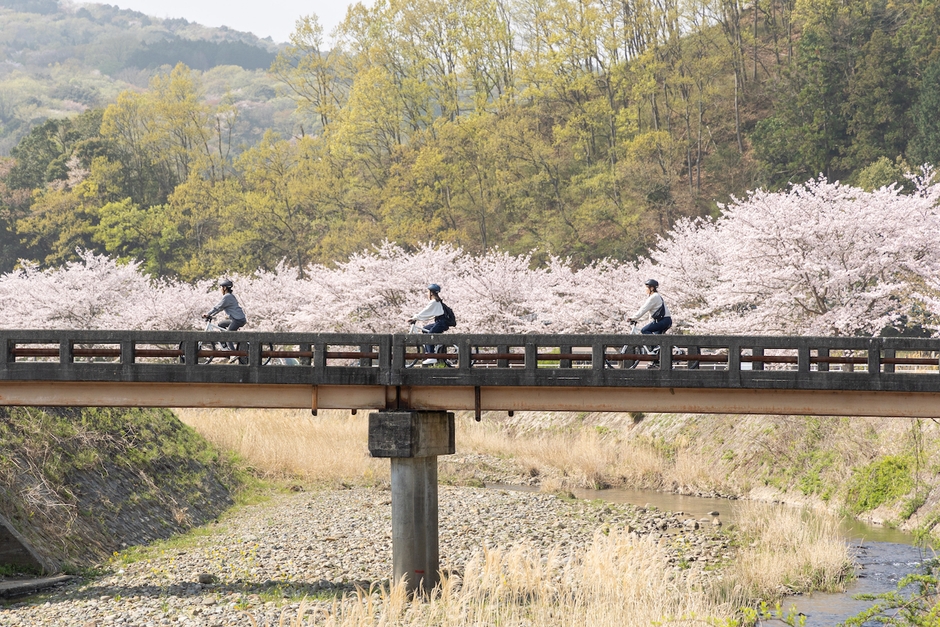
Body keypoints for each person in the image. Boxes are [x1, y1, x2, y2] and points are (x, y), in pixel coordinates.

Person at [627, 279, 672, 368]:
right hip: (664, 320)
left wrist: (633, 317)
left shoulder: (654, 297)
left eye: (647, 288)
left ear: (652, 288)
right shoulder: (655, 297)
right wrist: (637, 319)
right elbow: (648, 313)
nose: (645, 290)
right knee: (657, 342)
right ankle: (656, 362)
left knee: (644, 330)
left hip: (663, 321)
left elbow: (644, 309)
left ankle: (655, 351)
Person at [408, 283, 452, 366]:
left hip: (441, 323)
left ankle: (432, 356)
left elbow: (426, 311)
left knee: (428, 336)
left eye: (428, 291)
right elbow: (429, 314)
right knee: (425, 329)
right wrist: (417, 317)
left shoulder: (434, 302)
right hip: (440, 322)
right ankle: (433, 348)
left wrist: (415, 317)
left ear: (431, 292)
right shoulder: (436, 301)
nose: (427, 293)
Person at [204, 279, 247, 359]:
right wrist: (211, 315)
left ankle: (234, 354)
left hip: (238, 320)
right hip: (237, 318)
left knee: (227, 335)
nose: (220, 289)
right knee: (221, 324)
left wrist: (208, 314)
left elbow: (218, 306)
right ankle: (225, 346)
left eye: (221, 287)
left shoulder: (227, 297)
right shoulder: (229, 296)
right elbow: (220, 308)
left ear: (224, 288)